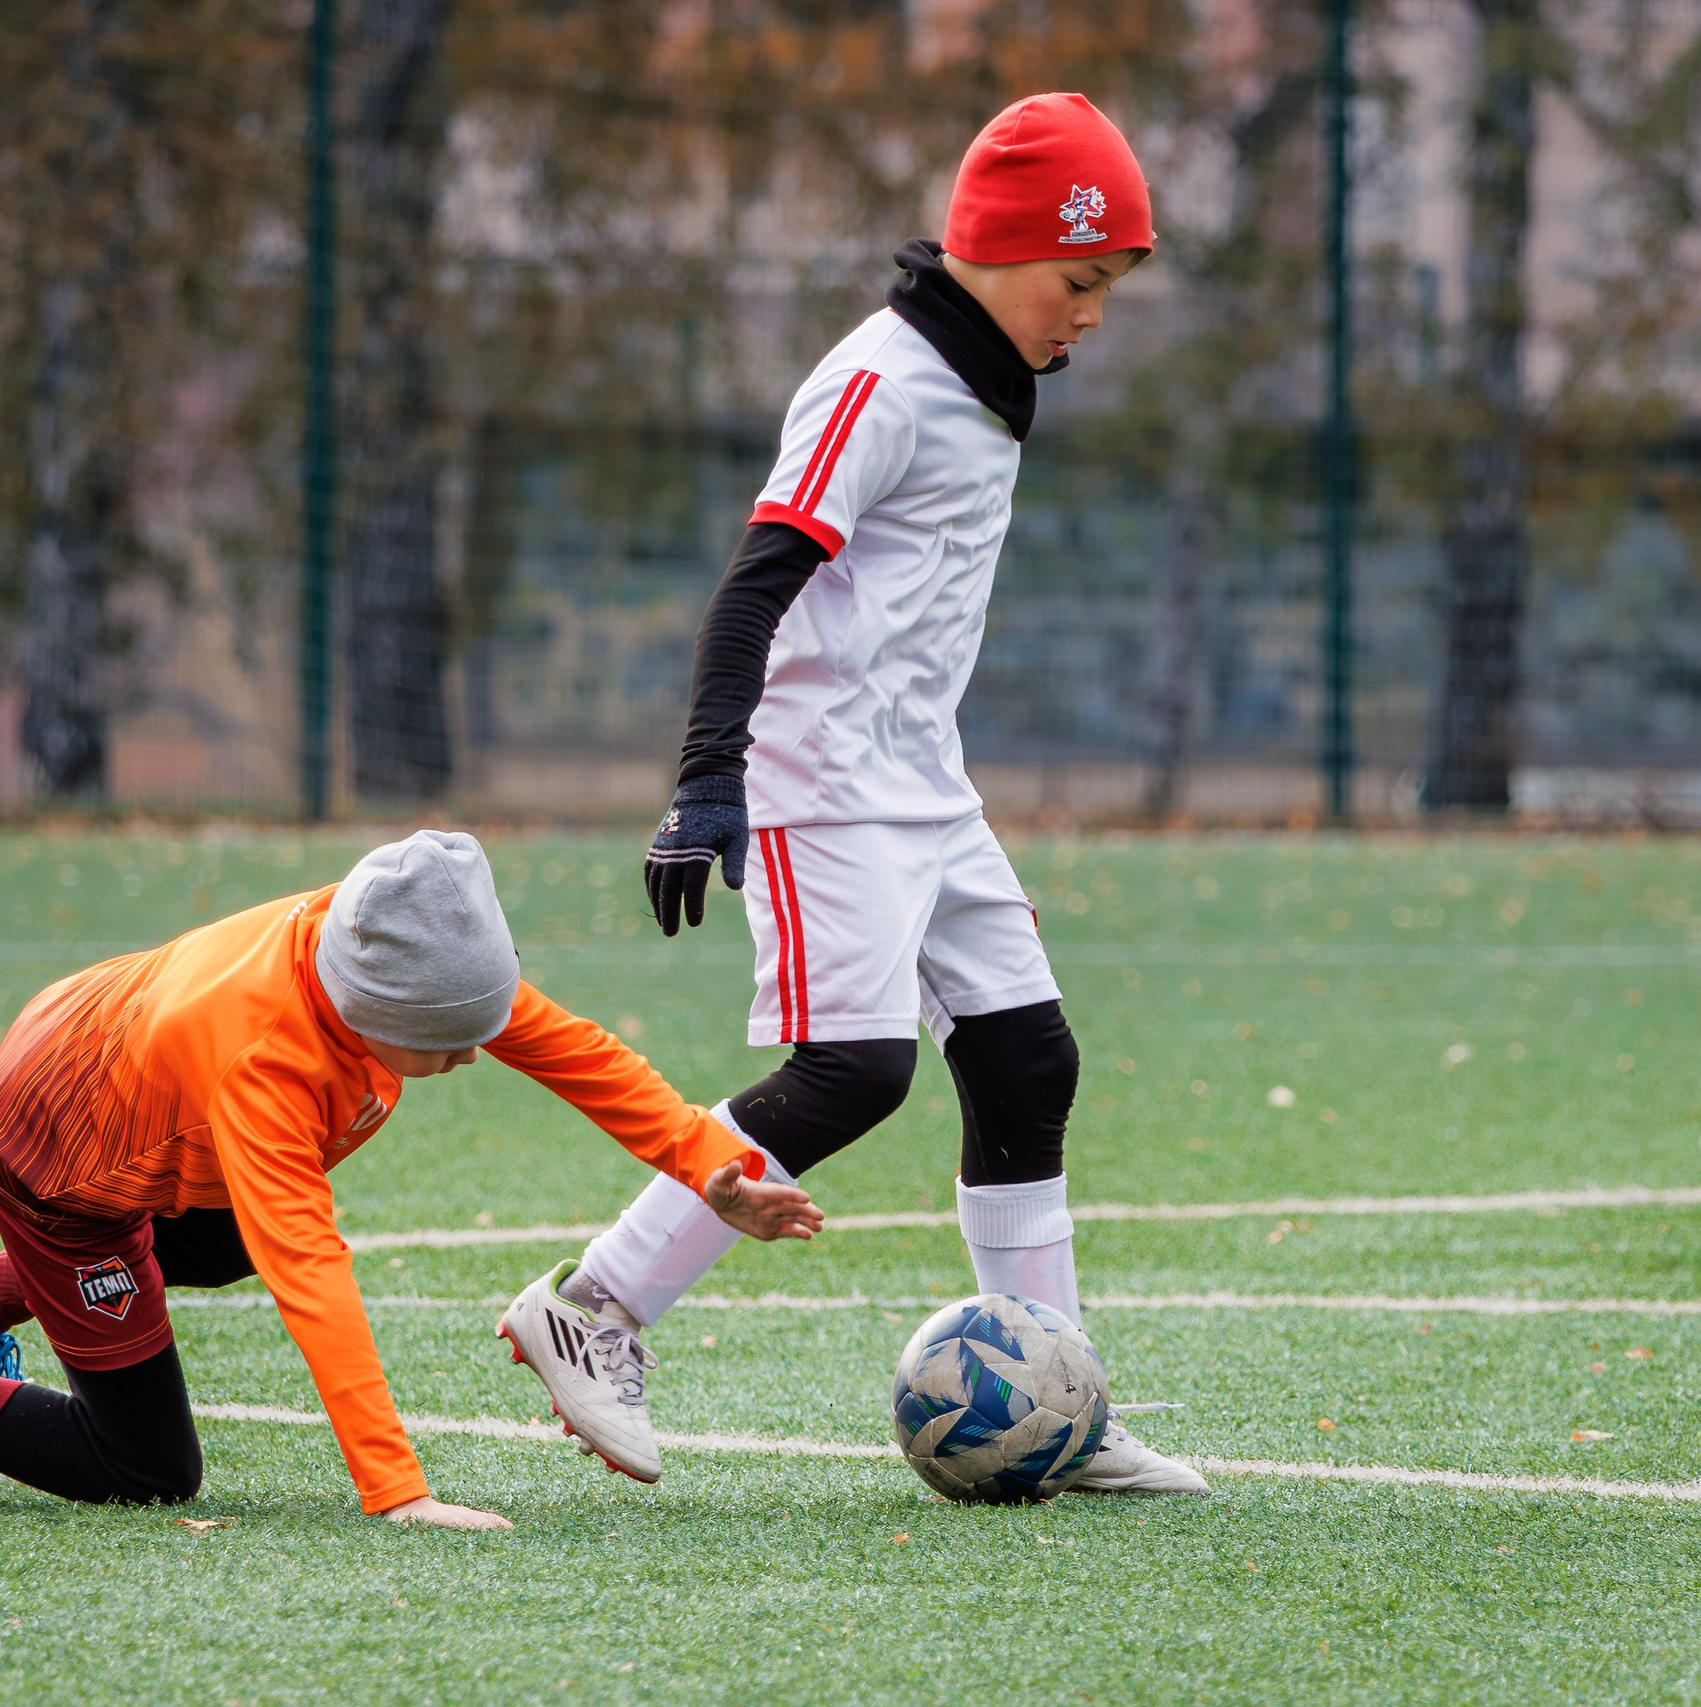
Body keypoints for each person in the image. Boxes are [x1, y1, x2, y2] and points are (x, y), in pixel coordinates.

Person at [495, 93, 1204, 1494]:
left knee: (1024, 1060)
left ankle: (1055, 1397)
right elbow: (759, 578)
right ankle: (594, 1304)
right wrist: (707, 781)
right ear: (998, 257)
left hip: (923, 787)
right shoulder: (879, 380)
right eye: (1082, 282)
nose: (1093, 317)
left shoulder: (984, 382)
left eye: (1110, 288)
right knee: (855, 1069)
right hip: (820, 784)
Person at [0, 829, 821, 1528]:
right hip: (52, 1155)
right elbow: (313, 1274)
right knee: (144, 1468)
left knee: (212, 1242)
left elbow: (572, 1050)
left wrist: (710, 1168)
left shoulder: (397, 941)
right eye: (452, 1045)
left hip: (128, 1100)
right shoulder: (263, 1065)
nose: (477, 1056)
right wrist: (399, 1491)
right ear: (378, 1018)